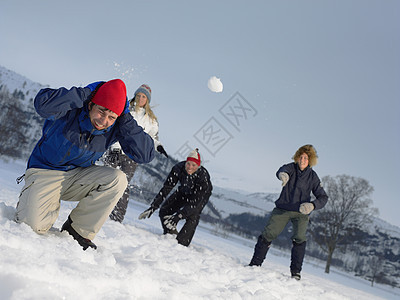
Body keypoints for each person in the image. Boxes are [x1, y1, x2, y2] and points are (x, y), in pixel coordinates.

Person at [14, 79, 155, 250]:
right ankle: (36, 201)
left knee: (117, 179)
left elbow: (145, 154)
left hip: (78, 176)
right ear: (90, 105)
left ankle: (78, 230)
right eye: (101, 112)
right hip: (46, 171)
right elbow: (42, 104)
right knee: (32, 227)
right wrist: (84, 94)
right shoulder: (72, 108)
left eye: (111, 117)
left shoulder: (117, 125)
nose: (103, 121)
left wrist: (124, 119)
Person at [249, 144, 328, 280]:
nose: (303, 160)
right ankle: (255, 264)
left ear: (310, 161)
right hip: (283, 208)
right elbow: (282, 170)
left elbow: (323, 197)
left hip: (301, 212)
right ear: (297, 157)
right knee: (268, 234)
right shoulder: (291, 168)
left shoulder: (313, 177)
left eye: (306, 158)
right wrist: (283, 175)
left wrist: (312, 206)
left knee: (300, 238)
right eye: (301, 157)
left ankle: (296, 273)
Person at [105, 83, 168, 223]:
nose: (140, 98)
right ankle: (97, 207)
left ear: (147, 100)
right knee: (104, 178)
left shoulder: (151, 120)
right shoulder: (125, 109)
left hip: (132, 155)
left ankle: (116, 217)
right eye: (138, 95)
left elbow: (153, 138)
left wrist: (159, 147)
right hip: (115, 149)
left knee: (123, 184)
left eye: (143, 96)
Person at [138, 149, 212, 246]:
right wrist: (154, 206)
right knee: (164, 210)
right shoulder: (178, 168)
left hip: (200, 196)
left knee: (193, 215)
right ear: (186, 162)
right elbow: (167, 188)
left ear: (198, 166)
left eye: (193, 165)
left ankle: (182, 243)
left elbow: (194, 202)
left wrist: (179, 216)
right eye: (188, 164)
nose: (190, 167)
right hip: (184, 191)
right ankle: (170, 234)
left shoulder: (203, 177)